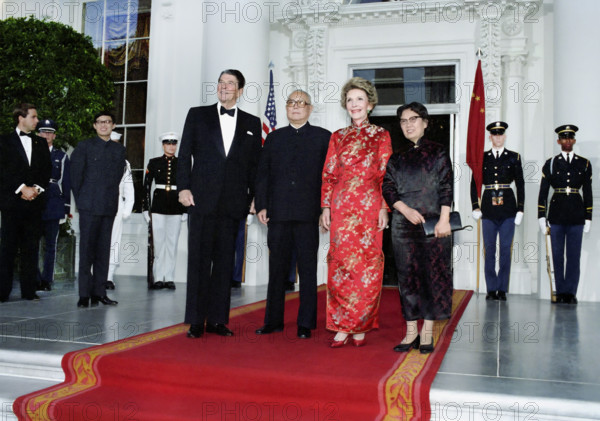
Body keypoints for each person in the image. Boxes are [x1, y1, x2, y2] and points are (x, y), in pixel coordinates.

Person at [178, 69, 261, 339]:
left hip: (233, 204)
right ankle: (195, 320)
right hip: (200, 199)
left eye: (230, 83)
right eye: (221, 82)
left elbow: (254, 166)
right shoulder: (197, 114)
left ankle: (216, 320)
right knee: (199, 261)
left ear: (240, 90)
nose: (224, 87)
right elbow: (184, 154)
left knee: (226, 264)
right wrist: (183, 187)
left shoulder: (252, 121)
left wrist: (254, 197)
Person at [320, 77, 392, 348]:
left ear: (370, 104)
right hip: (341, 207)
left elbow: (386, 175)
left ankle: (360, 324)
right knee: (340, 265)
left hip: (370, 206)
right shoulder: (337, 136)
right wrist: (325, 207)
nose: (354, 104)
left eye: (359, 99)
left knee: (368, 267)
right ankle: (341, 325)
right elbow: (328, 174)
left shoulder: (381, 135)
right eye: (350, 100)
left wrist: (384, 207)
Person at [254, 90, 331, 339]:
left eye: (301, 103)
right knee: (276, 270)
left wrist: (324, 210)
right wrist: (263, 205)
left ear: (310, 109)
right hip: (279, 214)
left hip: (309, 215)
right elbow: (263, 174)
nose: (295, 107)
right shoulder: (274, 138)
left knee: (308, 271)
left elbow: (329, 178)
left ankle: (305, 323)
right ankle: (273, 321)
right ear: (286, 108)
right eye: (291, 103)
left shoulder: (324, 137)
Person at [382, 101, 453, 354]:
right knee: (407, 278)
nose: (408, 124)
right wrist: (404, 209)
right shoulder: (396, 157)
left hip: (434, 225)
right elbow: (388, 188)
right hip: (403, 226)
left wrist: (444, 220)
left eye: (413, 119)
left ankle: (427, 331)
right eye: (403, 121)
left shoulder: (439, 152)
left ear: (425, 122)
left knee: (431, 277)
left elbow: (446, 186)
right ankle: (411, 330)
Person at [70, 111, 125, 308]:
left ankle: (99, 293)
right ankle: (84, 294)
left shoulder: (119, 150)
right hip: (88, 206)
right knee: (86, 251)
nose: (104, 125)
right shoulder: (84, 147)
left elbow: (117, 178)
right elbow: (75, 178)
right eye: (100, 122)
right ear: (94, 126)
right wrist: (83, 200)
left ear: (113, 125)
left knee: (103, 251)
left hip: (108, 206)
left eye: (108, 122)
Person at [0, 103, 51, 302]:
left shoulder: (40, 143)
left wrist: (35, 190)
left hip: (34, 204)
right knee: (8, 248)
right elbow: (3, 171)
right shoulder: (4, 141)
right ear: (21, 118)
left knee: (31, 248)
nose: (37, 121)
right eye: (34, 117)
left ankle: (29, 291)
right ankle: (2, 291)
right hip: (12, 203)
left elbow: (46, 172)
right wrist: (22, 188)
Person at [538, 124, 593, 304]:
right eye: (564, 138)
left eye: (570, 138)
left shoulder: (583, 163)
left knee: (573, 256)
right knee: (557, 254)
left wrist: (588, 217)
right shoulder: (551, 163)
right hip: (557, 215)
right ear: (559, 141)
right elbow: (544, 192)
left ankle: (571, 292)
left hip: (577, 216)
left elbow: (588, 192)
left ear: (574, 141)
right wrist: (541, 215)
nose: (567, 141)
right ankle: (560, 291)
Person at [470, 121, 524, 301]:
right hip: (488, 208)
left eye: (501, 134)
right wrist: (475, 206)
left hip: (508, 207)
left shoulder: (514, 157)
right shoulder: (482, 157)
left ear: (505, 136)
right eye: (495, 134)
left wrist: (520, 209)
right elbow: (474, 183)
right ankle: (491, 288)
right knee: (490, 250)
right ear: (490, 137)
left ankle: (502, 289)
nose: (498, 137)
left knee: (505, 251)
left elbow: (520, 184)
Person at [143, 132, 187, 290]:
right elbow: (146, 186)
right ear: (163, 145)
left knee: (172, 243)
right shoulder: (154, 163)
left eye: (174, 144)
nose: (171, 146)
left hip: (176, 206)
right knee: (159, 243)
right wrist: (145, 208)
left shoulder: (182, 163)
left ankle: (169, 277)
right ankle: (158, 277)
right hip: (159, 206)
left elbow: (187, 187)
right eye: (168, 144)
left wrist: (185, 210)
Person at [36, 118, 71, 292]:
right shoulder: (31, 153)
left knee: (51, 244)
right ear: (38, 134)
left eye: (49, 132)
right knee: (31, 243)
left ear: (54, 136)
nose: (46, 135)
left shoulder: (61, 156)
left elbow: (66, 182)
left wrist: (66, 208)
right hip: (34, 201)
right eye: (43, 132)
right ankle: (34, 278)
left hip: (53, 203)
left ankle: (46, 280)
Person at [106, 131, 135, 290]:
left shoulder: (125, 164)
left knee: (114, 241)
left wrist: (127, 209)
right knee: (98, 240)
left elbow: (129, 187)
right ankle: (96, 274)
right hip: (99, 203)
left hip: (117, 204)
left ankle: (109, 276)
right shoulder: (98, 159)